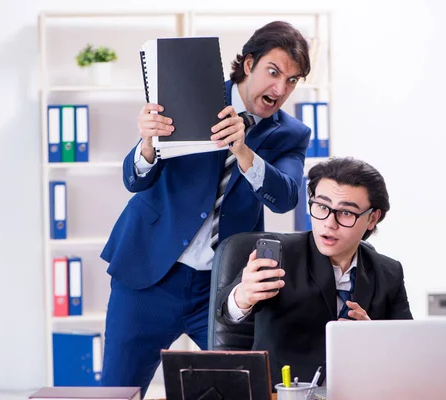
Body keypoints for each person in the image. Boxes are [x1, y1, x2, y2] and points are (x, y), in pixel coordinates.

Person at [100, 21, 312, 393]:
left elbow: (288, 196)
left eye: (292, 81)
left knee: (241, 389)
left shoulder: (291, 134)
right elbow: (135, 181)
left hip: (219, 288)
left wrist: (244, 151)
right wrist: (148, 144)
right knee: (117, 391)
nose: (280, 89)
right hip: (148, 276)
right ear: (249, 64)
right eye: (274, 72)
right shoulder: (191, 93)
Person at [216, 157, 413, 387]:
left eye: (346, 213)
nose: (329, 223)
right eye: (322, 207)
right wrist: (242, 297)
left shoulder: (388, 272)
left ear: (372, 218)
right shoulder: (282, 257)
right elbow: (224, 310)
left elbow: (406, 349)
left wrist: (372, 337)